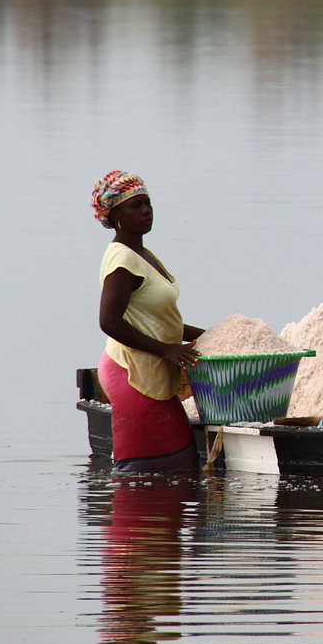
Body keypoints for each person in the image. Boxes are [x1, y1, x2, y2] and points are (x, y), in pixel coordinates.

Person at [92, 170, 205, 474]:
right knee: (145, 469)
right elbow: (109, 322)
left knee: (179, 463)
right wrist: (166, 350)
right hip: (132, 373)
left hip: (150, 371)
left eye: (148, 203)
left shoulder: (141, 253)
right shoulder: (122, 260)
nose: (146, 211)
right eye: (136, 205)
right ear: (115, 215)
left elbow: (155, 319)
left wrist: (208, 335)